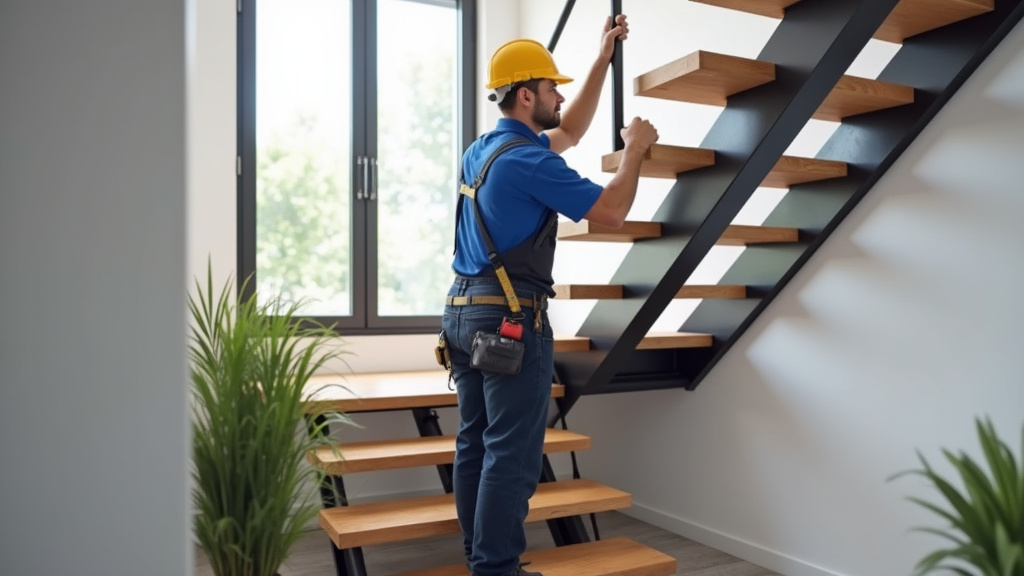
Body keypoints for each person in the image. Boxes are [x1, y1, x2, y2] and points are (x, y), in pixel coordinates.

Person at [441, 14, 659, 576]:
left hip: (463, 313)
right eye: (550, 88)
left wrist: (602, 58)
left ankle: (480, 561)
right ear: (523, 95)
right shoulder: (530, 162)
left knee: (476, 444)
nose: (558, 96)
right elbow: (611, 211)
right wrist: (636, 150)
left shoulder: (484, 151)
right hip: (510, 319)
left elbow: (574, 130)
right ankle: (496, 568)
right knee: (512, 456)